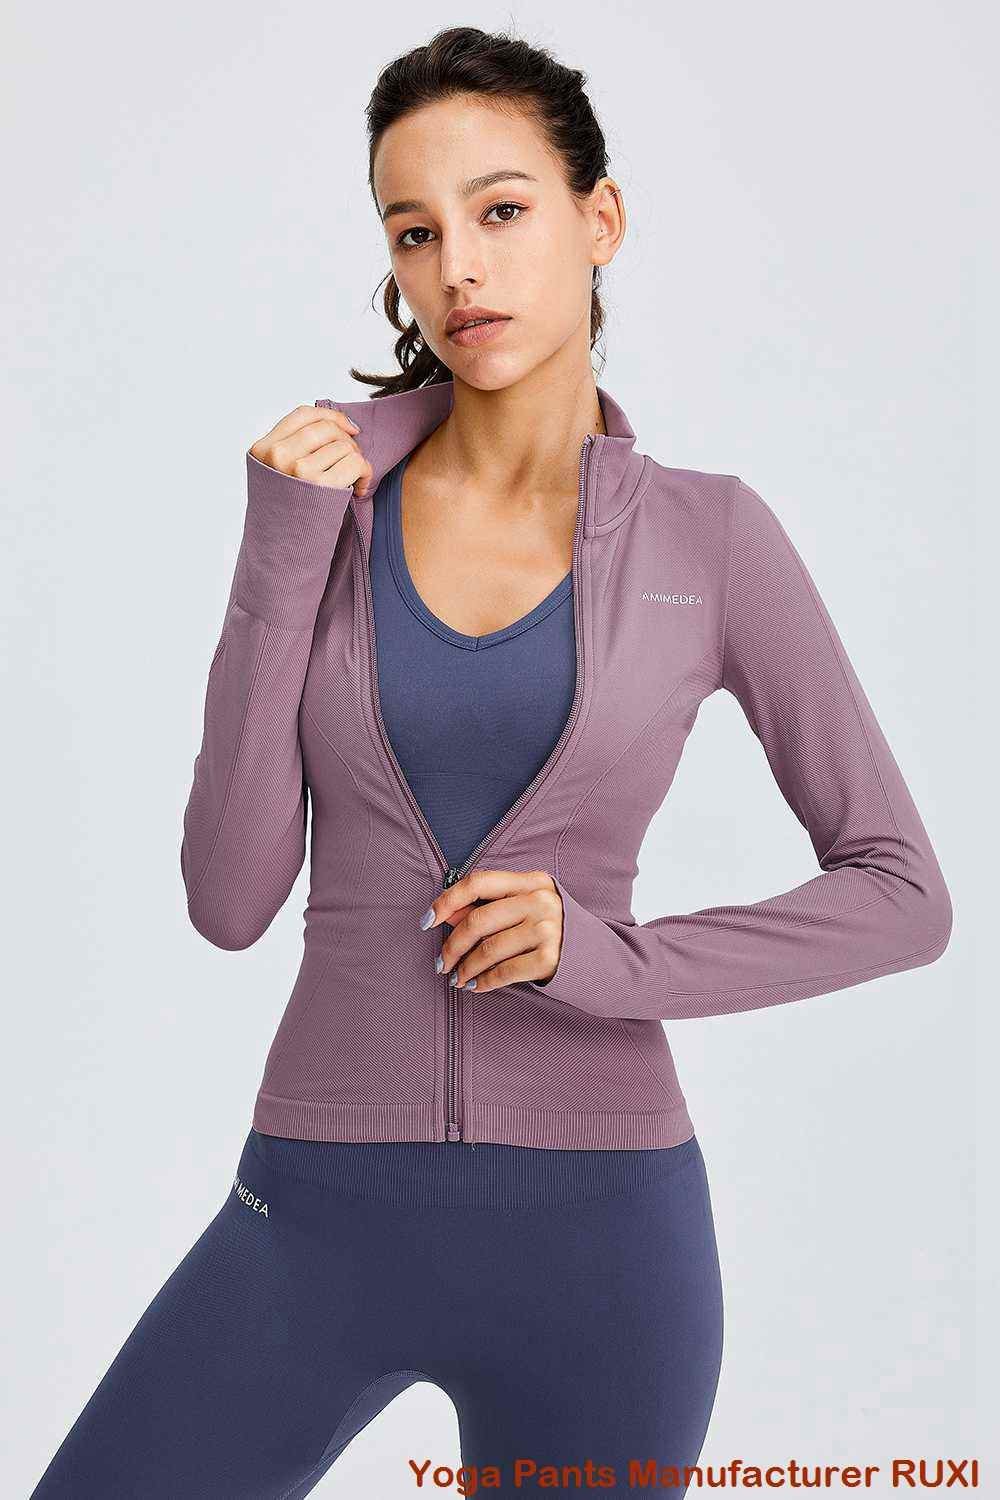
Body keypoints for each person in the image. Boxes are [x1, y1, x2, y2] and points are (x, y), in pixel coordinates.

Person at [29, 24, 952, 1500]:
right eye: (416, 231)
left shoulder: (713, 539)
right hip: (314, 1208)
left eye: (502, 209)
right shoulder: (326, 508)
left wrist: (610, 958)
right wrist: (278, 557)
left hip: (606, 1243)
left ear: (602, 218)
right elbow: (229, 897)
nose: (459, 267)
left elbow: (902, 893)